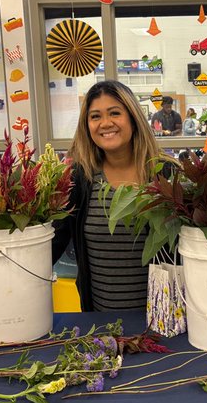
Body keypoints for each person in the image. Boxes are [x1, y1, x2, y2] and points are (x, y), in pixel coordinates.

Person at [52, 80, 168, 311]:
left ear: (133, 118)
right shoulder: (80, 180)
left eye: (115, 113)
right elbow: (53, 243)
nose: (105, 123)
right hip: (101, 327)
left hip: (163, 323)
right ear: (87, 126)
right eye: (95, 117)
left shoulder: (164, 173)